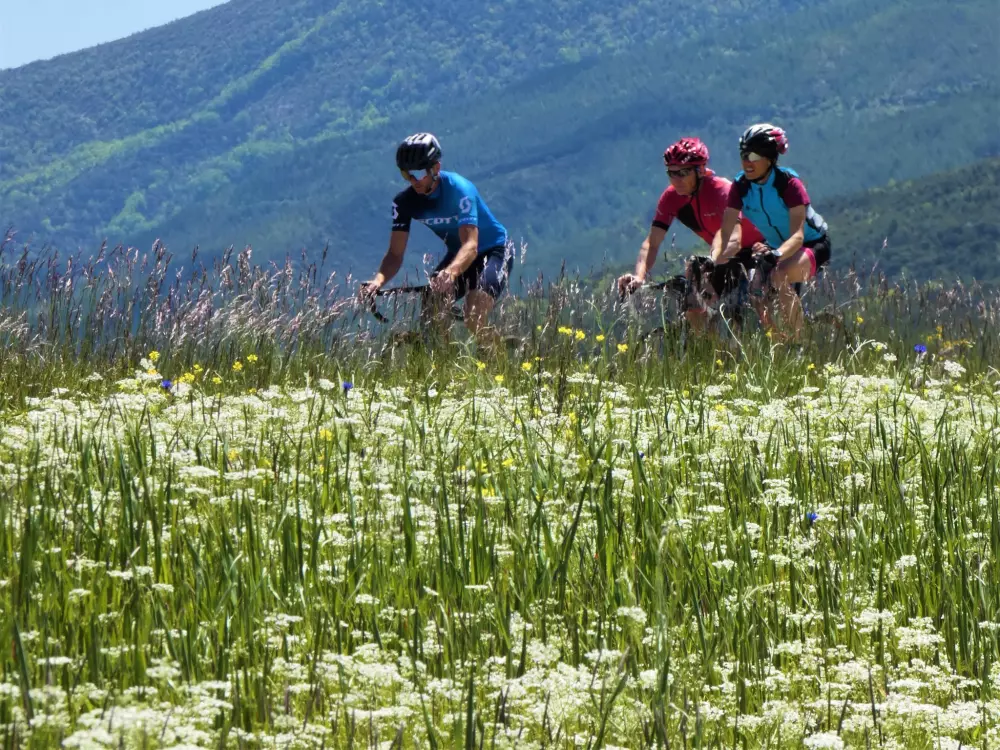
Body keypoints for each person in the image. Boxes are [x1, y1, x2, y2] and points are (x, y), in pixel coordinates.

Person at [359, 133, 514, 345]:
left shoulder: (460, 190)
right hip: (458, 253)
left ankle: (500, 364)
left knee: (474, 315)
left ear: (436, 168)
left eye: (418, 173)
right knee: (432, 310)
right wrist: (377, 281)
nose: (414, 181)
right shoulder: (404, 203)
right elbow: (395, 254)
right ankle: (445, 364)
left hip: (493, 250)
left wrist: (450, 272)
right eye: (407, 174)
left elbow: (471, 245)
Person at [617, 137, 766, 330]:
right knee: (693, 304)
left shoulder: (723, 190)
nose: (675, 180)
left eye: (683, 173)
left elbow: (732, 238)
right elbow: (651, 244)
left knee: (759, 303)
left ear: (700, 170)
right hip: (722, 255)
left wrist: (712, 260)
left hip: (760, 247)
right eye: (671, 173)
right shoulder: (671, 198)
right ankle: (710, 353)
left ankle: (788, 344)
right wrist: (639, 276)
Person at [715, 124, 831, 339]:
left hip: (812, 244)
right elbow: (727, 229)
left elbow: (797, 236)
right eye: (743, 155)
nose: (746, 161)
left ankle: (799, 343)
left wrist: (776, 255)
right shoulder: (741, 186)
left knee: (779, 275)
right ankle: (778, 341)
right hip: (776, 247)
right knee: (755, 290)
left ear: (769, 158)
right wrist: (714, 258)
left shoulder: (788, 184)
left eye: (752, 155)